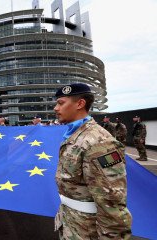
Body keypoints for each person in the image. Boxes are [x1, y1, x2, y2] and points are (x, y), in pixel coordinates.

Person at [53, 84, 132, 239]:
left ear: (80, 104)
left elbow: (112, 204)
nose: (56, 108)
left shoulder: (98, 142)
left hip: (88, 231)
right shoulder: (76, 135)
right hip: (73, 223)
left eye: (61, 103)